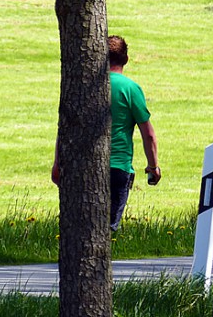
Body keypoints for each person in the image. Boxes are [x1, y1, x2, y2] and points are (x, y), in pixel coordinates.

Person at [52, 35, 160, 231]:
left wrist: (57, 163)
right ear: (125, 59)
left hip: (84, 167)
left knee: (82, 229)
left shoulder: (85, 87)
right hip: (118, 167)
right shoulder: (130, 89)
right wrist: (153, 167)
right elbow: (149, 135)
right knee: (106, 230)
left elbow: (66, 128)